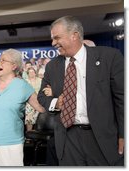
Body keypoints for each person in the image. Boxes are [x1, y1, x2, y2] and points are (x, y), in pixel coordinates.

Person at [37, 16, 124, 166]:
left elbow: (122, 100)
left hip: (101, 137)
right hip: (67, 139)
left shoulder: (109, 57)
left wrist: (124, 134)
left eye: (57, 38)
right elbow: (41, 97)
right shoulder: (52, 66)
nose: (53, 43)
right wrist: (56, 102)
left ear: (74, 35)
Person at [0, 49, 45, 166]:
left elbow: (41, 107)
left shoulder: (23, 86)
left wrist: (56, 99)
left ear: (13, 66)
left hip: (11, 144)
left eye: (3, 60)